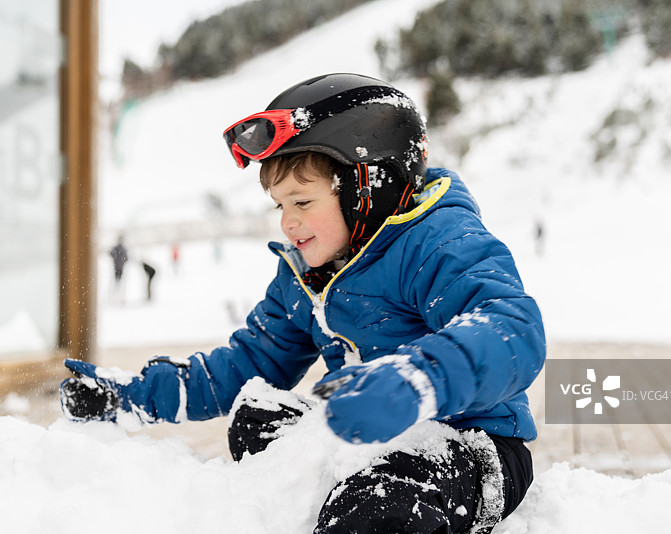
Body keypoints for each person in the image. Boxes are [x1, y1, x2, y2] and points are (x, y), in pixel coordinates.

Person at [60, 73, 546, 533]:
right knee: (255, 415)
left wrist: (415, 381)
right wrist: (133, 396)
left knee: (380, 501)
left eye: (303, 202)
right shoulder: (306, 274)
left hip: (472, 448)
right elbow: (248, 364)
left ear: (367, 188)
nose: (287, 222)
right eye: (281, 205)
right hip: (367, 443)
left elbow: (512, 328)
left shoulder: (438, 242)